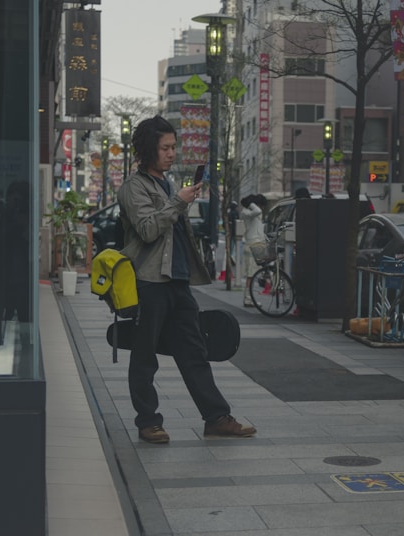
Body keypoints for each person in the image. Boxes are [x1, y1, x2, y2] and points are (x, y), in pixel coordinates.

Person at [117, 115, 256, 444]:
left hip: (177, 281)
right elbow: (149, 229)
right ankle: (148, 422)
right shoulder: (133, 188)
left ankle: (216, 417)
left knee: (194, 351)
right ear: (148, 149)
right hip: (149, 282)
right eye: (165, 147)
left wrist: (178, 199)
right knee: (144, 355)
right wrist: (179, 201)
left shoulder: (165, 185)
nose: (171, 153)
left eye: (173, 147)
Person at [240, 193, 268, 307]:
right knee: (251, 274)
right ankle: (248, 298)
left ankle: (249, 297)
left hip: (255, 243)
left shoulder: (249, 213)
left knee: (252, 274)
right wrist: (250, 203)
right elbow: (258, 211)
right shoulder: (247, 212)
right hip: (253, 245)